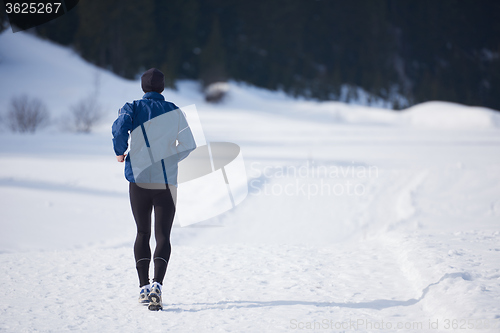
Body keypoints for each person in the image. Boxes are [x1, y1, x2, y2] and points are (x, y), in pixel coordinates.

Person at [112, 68, 196, 311]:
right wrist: (170, 159)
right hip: (166, 181)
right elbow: (189, 144)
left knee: (142, 233)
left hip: (138, 179)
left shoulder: (132, 107)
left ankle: (142, 288)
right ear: (162, 88)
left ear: (143, 87)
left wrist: (120, 152)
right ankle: (157, 285)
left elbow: (119, 128)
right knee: (163, 236)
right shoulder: (173, 110)